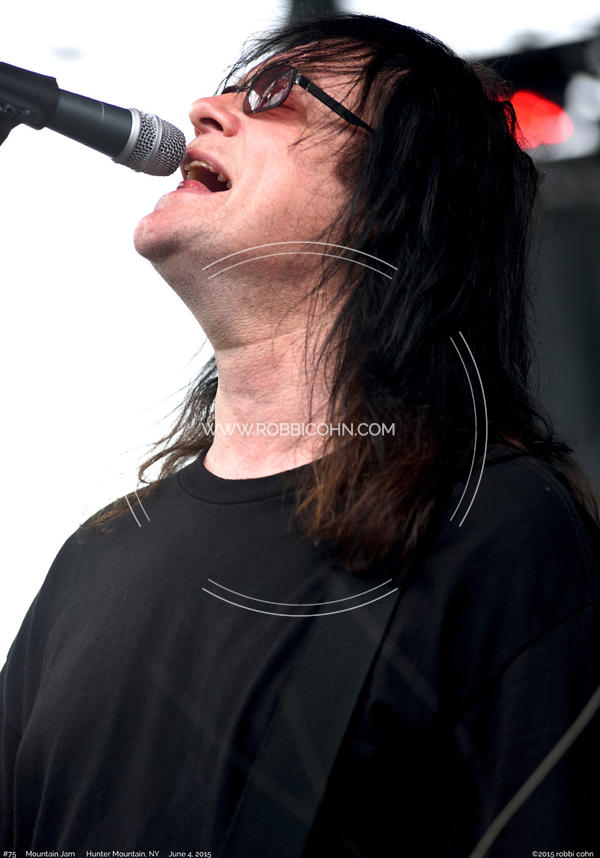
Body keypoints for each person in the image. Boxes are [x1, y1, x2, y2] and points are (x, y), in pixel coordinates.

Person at [2, 12, 600, 857]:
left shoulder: (494, 531)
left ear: (396, 201)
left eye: (277, 93)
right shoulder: (95, 557)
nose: (204, 108)